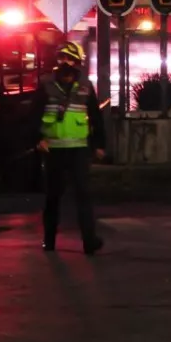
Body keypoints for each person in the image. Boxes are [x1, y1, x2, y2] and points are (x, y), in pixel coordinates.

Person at [33, 42, 105, 255]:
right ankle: (49, 240)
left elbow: (96, 117)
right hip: (53, 149)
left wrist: (99, 144)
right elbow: (34, 115)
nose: (65, 63)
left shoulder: (85, 86)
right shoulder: (46, 84)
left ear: (77, 63)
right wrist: (38, 139)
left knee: (83, 194)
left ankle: (89, 241)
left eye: (69, 59)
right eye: (62, 58)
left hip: (79, 149)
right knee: (53, 196)